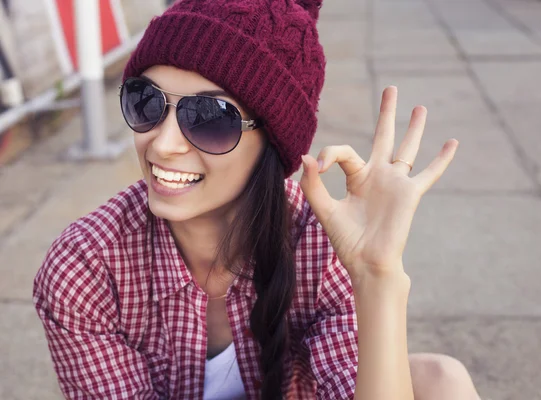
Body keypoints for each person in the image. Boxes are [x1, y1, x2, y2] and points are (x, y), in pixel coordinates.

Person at [33, 0, 482, 399]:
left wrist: (376, 276)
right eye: (146, 102)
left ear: (272, 141)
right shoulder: (87, 266)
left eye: (210, 118)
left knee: (443, 380)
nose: (163, 144)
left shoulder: (317, 239)